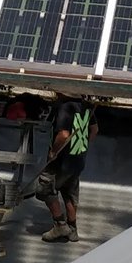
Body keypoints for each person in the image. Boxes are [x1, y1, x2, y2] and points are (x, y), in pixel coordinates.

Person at [40, 100, 96, 243]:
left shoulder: (64, 107)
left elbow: (64, 134)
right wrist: (83, 147)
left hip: (62, 160)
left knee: (44, 186)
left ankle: (60, 225)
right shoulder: (85, 106)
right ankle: (72, 229)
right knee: (69, 191)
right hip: (77, 158)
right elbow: (94, 129)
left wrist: (53, 151)